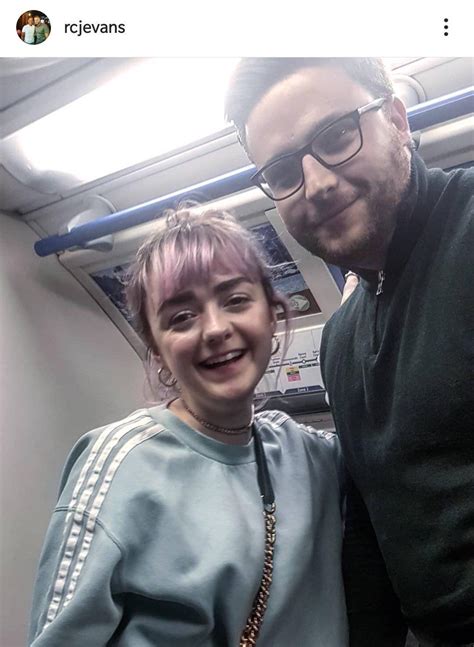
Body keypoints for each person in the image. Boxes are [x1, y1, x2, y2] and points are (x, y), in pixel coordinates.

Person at [225, 58, 474, 646]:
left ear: (396, 119)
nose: (316, 182)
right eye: (284, 171)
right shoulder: (341, 339)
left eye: (337, 136)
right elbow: (370, 525)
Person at [28, 208, 348, 646]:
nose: (215, 329)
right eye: (181, 317)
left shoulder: (309, 455)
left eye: (235, 300)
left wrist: (357, 330)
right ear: (157, 350)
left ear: (272, 314)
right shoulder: (118, 466)